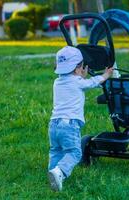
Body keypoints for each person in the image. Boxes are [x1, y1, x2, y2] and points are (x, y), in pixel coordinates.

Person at [48, 46, 113, 191]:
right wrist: (105, 75)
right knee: (75, 152)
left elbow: (72, 81)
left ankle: (53, 172)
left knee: (56, 151)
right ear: (78, 68)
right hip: (69, 124)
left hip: (53, 124)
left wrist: (79, 76)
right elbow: (92, 83)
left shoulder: (57, 82)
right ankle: (60, 172)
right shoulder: (78, 82)